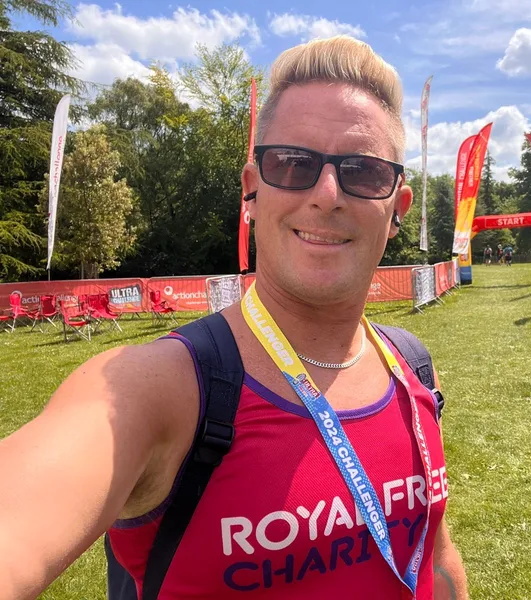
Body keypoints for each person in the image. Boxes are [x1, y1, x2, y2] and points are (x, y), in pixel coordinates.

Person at [0, 36, 468, 600]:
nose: (327, 195)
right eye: (292, 164)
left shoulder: (412, 368)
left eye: (364, 172)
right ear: (252, 191)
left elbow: (435, 556)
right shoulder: (160, 388)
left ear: (397, 208)